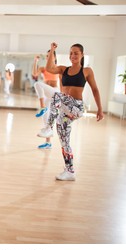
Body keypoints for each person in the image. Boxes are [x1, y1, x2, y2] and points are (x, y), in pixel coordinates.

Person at [37, 42, 104, 181]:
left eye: (76, 53)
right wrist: (52, 50)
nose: (73, 55)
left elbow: (95, 90)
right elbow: (49, 68)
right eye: (71, 53)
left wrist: (100, 109)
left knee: (56, 95)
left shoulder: (87, 71)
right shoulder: (63, 69)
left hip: (77, 107)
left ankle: (48, 127)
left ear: (82, 55)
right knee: (64, 141)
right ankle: (70, 171)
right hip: (65, 110)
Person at [32, 51, 60, 149]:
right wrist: (35, 61)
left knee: (37, 84)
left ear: (55, 57)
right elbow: (34, 74)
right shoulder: (43, 68)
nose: (48, 57)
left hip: (55, 92)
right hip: (48, 95)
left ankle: (42, 107)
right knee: (46, 118)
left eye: (50, 56)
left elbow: (63, 83)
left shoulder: (58, 68)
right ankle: (48, 143)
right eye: (47, 56)